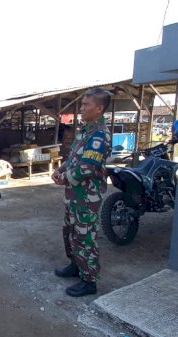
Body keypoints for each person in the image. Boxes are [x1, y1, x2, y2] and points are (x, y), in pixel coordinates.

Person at [51, 88, 112, 297]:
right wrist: (61, 168)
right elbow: (74, 158)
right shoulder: (85, 131)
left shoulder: (99, 134)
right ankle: (75, 265)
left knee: (85, 237)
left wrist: (65, 177)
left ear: (99, 108)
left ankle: (89, 280)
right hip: (74, 194)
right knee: (70, 232)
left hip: (87, 196)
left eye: (86, 105)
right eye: (82, 104)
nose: (82, 108)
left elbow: (87, 167)